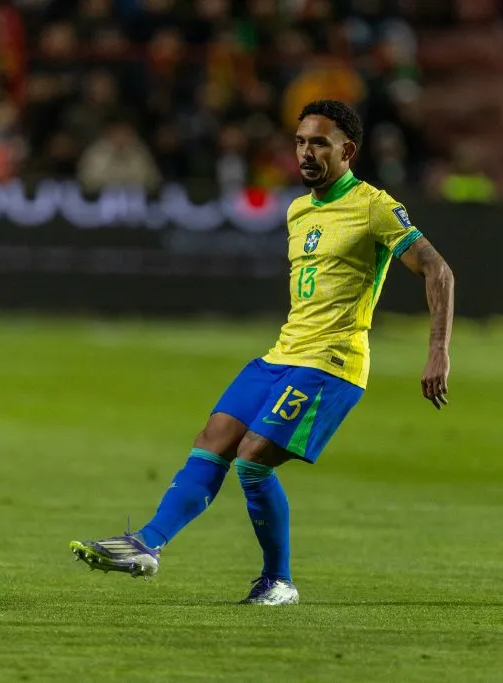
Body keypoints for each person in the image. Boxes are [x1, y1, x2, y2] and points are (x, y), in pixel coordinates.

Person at [70, 99, 455, 605]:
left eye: (319, 143)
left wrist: (437, 350)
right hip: (282, 354)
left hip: (332, 364)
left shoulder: (374, 206)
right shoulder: (298, 211)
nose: (306, 152)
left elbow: (438, 269)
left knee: (252, 460)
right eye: (300, 142)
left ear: (347, 151)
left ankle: (279, 582)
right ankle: (147, 543)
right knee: (213, 439)